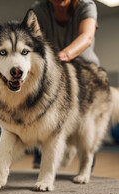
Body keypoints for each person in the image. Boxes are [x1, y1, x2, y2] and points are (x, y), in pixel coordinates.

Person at [31, 0, 100, 168]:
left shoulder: (86, 5)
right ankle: (39, 159)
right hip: (55, 69)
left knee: (87, 121)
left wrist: (64, 56)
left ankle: (87, 166)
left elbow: (87, 36)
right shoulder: (39, 9)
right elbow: (34, 39)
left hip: (84, 70)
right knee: (40, 108)